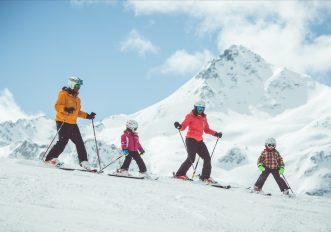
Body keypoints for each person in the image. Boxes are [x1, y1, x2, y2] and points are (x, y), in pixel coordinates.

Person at [44, 76, 96, 170]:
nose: (78, 88)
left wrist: (88, 116)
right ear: (72, 85)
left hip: (72, 123)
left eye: (79, 86)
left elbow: (77, 112)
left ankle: (83, 162)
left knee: (79, 142)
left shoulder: (77, 99)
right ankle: (50, 159)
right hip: (62, 121)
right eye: (77, 85)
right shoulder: (63, 94)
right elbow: (57, 106)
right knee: (63, 141)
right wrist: (65, 109)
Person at [174, 100, 222, 184]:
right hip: (191, 140)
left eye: (202, 108)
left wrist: (216, 134)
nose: (200, 110)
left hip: (199, 141)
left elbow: (206, 129)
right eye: (199, 108)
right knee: (191, 158)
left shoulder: (203, 118)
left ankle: (205, 177)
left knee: (207, 158)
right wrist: (179, 126)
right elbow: (183, 126)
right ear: (195, 107)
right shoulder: (190, 116)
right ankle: (179, 174)